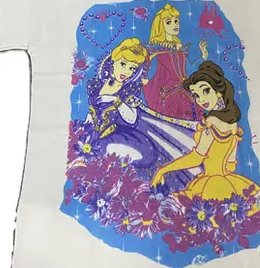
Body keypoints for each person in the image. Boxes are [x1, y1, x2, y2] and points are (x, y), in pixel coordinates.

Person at [79, 38, 200, 190]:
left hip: (126, 139)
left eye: (132, 68)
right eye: (123, 64)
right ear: (113, 61)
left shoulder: (128, 91)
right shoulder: (95, 87)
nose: (126, 72)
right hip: (96, 139)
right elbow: (91, 115)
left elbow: (132, 119)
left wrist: (117, 101)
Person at [151, 61, 260, 201]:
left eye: (206, 91)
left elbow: (196, 158)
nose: (201, 99)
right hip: (229, 181)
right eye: (196, 95)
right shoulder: (233, 125)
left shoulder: (211, 124)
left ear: (219, 92)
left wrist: (163, 170)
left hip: (211, 184)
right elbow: (231, 164)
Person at [142, 3, 209, 120]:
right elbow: (148, 69)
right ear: (160, 25)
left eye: (176, 21)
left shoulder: (181, 47)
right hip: (168, 93)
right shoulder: (155, 48)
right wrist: (145, 80)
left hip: (186, 88)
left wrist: (202, 57)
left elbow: (188, 69)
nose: (175, 24)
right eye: (169, 22)